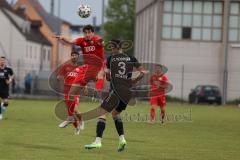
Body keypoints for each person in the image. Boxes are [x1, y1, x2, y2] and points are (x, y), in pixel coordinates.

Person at [84, 39, 145, 152]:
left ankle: (97, 142)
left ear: (118, 48)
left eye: (112, 47)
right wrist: (135, 80)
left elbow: (107, 75)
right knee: (115, 114)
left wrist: (108, 77)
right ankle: (122, 140)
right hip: (127, 93)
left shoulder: (110, 59)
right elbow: (143, 72)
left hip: (116, 91)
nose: (111, 50)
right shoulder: (131, 58)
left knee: (102, 113)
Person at [53, 25, 105, 122]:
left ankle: (99, 94)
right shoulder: (82, 41)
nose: (87, 34)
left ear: (93, 33)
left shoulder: (97, 39)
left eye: (89, 32)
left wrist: (101, 43)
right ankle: (71, 116)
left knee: (100, 73)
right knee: (71, 94)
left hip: (98, 66)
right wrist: (63, 38)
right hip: (87, 68)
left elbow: (102, 42)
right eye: (85, 32)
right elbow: (71, 41)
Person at [57, 51, 85, 135]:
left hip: (75, 91)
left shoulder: (81, 67)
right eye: (72, 55)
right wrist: (60, 78)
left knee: (75, 110)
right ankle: (76, 127)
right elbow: (59, 76)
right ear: (71, 57)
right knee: (70, 111)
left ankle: (81, 121)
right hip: (67, 91)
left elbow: (84, 79)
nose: (74, 57)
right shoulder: (65, 66)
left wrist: (85, 87)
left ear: (78, 57)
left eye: (75, 55)